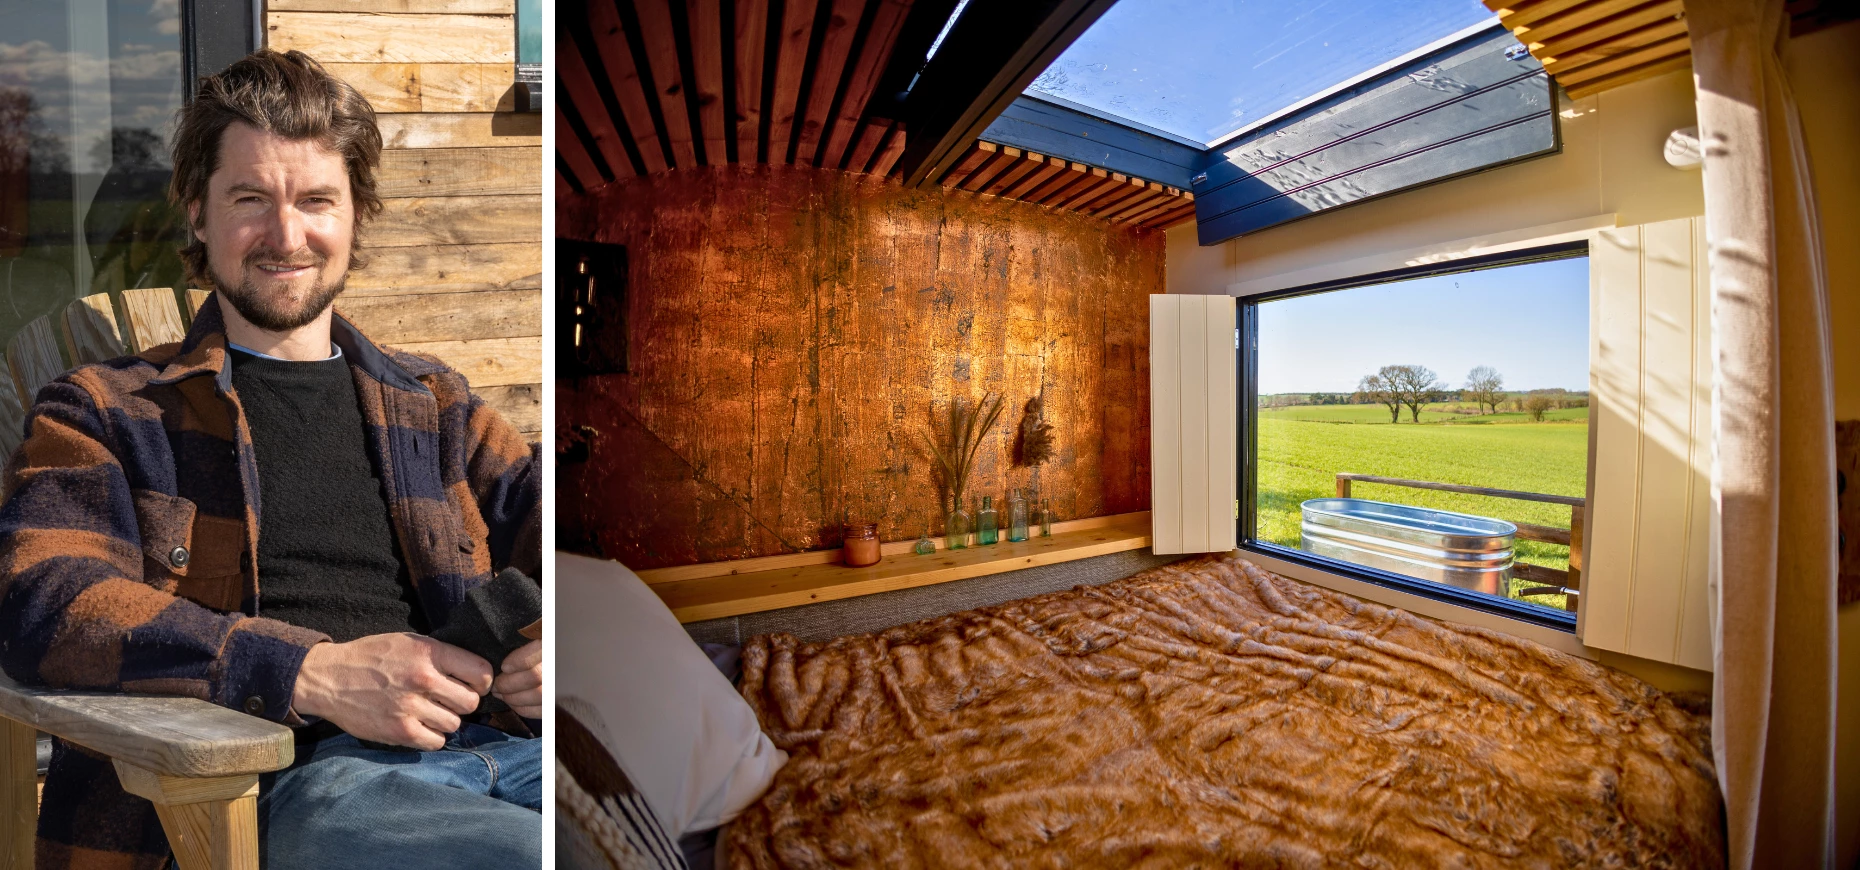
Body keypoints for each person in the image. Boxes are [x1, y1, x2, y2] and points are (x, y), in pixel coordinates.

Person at [0, 50, 542, 870]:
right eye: (251, 199)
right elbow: (47, 602)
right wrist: (306, 673)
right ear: (197, 212)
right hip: (296, 792)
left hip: (507, 755)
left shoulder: (437, 409)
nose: (286, 235)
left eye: (317, 199)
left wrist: (562, 641)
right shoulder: (108, 411)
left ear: (356, 214)